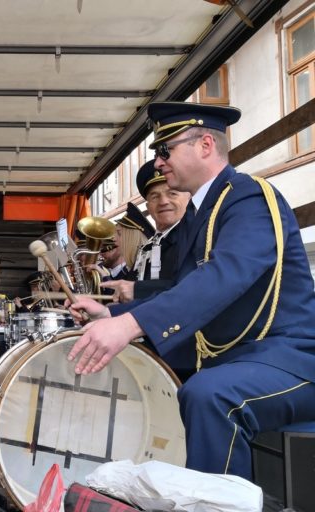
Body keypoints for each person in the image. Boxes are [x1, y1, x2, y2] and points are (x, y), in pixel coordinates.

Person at [67, 101, 315, 480]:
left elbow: (225, 276)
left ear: (204, 146)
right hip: (241, 359)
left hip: (288, 358)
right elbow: (179, 289)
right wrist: (111, 315)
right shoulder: (202, 213)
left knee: (210, 396)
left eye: (165, 150)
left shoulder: (249, 197)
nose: (159, 162)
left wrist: (131, 323)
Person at [101, 160, 190, 302]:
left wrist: (137, 290)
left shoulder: (195, 238)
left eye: (172, 193)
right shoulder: (147, 249)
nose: (163, 201)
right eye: (155, 196)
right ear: (148, 207)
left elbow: (190, 289)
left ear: (188, 199)